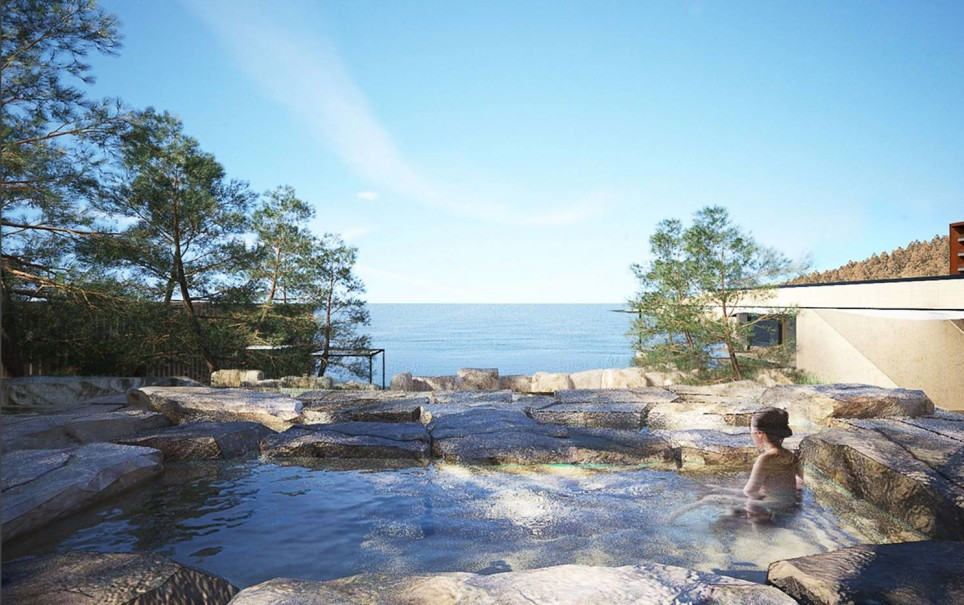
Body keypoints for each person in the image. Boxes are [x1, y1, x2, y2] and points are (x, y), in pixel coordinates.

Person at [669, 407, 803, 524]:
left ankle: (670, 522)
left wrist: (763, 496)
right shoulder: (792, 456)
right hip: (787, 506)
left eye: (751, 431)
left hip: (770, 509)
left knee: (712, 499)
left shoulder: (765, 459)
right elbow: (800, 482)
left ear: (760, 434)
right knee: (719, 492)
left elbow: (749, 491)